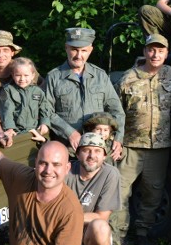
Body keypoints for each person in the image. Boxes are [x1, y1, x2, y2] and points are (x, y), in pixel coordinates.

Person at [114, 33, 171, 245]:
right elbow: (115, 111)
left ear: (166, 53)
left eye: (160, 50)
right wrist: (116, 141)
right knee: (120, 193)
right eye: (151, 49)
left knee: (153, 193)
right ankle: (117, 239)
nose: (155, 54)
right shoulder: (128, 77)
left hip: (159, 147)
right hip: (130, 145)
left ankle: (143, 234)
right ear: (145, 51)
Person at [44, 27, 125, 160]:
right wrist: (70, 133)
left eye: (83, 51)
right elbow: (46, 111)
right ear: (66, 48)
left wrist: (118, 138)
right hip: (68, 149)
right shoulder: (54, 77)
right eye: (74, 50)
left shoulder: (100, 76)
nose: (78, 55)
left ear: (90, 50)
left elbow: (116, 110)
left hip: (98, 150)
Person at [64, 133, 121, 245]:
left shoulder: (110, 174)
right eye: (86, 150)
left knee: (101, 227)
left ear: (104, 155)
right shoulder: (66, 171)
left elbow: (101, 216)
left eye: (97, 151)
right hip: (62, 236)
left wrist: (68, 217)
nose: (91, 155)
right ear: (78, 153)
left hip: (87, 238)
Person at [0, 57, 50, 143]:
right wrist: (10, 128)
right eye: (18, 75)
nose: (22, 79)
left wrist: (45, 124)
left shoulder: (38, 91)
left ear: (33, 75)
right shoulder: (8, 90)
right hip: (15, 133)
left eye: (26, 75)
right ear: (12, 75)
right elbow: (7, 111)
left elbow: (45, 109)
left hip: (35, 131)